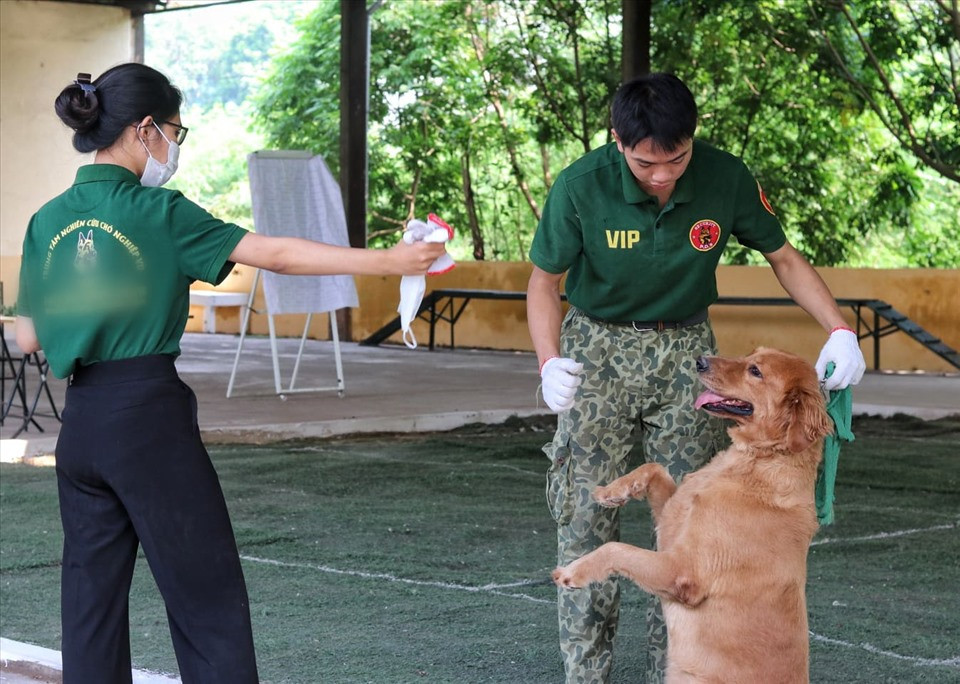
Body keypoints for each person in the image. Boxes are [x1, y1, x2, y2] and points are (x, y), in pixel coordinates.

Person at [14, 63, 446, 684]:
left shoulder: (47, 219)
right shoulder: (158, 211)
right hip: (147, 417)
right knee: (205, 594)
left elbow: (28, 335)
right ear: (143, 130)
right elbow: (274, 253)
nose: (173, 147)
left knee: (90, 601)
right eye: (174, 132)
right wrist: (393, 259)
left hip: (80, 424)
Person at [526, 72, 865, 684]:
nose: (661, 175)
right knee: (584, 521)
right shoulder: (580, 185)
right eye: (645, 162)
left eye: (676, 159)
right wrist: (549, 360)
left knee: (692, 528)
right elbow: (543, 283)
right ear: (617, 141)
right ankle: (585, 676)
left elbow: (783, 257)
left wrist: (840, 329)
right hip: (596, 351)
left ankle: (679, 674)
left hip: (688, 354)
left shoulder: (725, 176)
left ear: (692, 140)